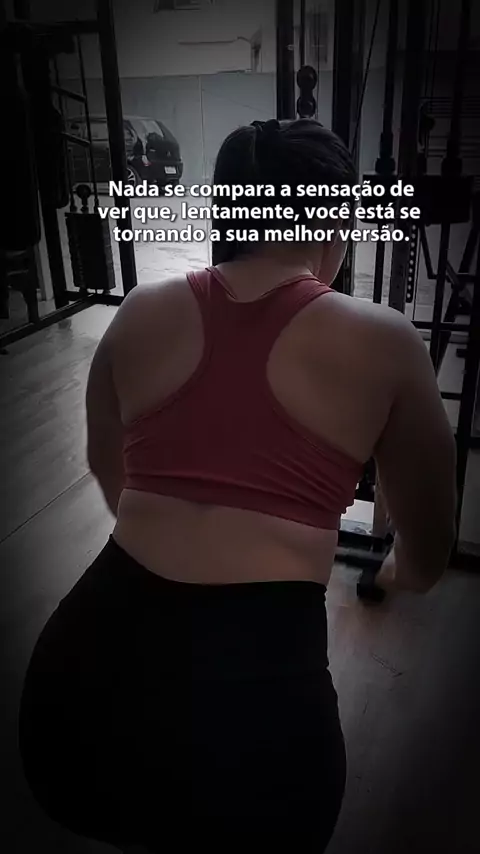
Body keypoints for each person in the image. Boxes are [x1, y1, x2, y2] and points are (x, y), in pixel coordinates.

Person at [18, 119, 457, 852]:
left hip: (76, 706)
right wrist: (392, 574)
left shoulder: (140, 309)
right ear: (334, 224)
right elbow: (428, 557)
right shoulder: (386, 340)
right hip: (255, 740)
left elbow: (110, 473)